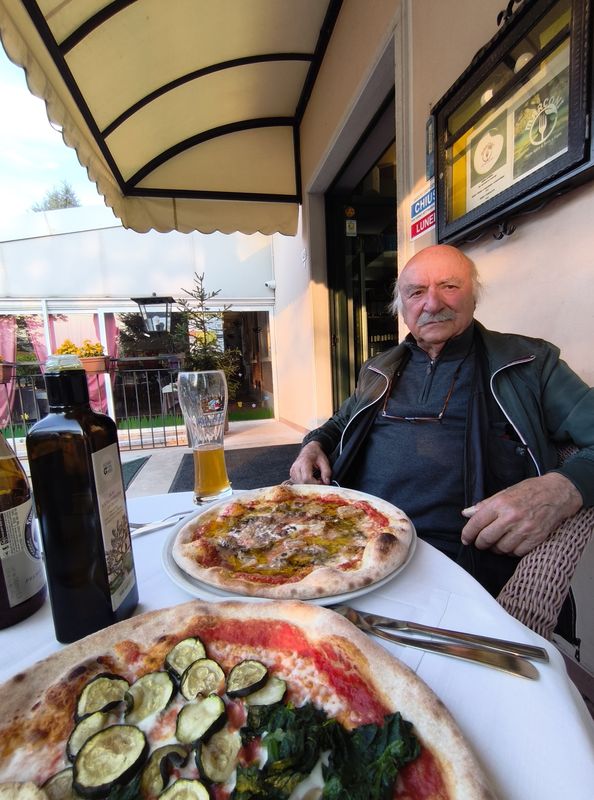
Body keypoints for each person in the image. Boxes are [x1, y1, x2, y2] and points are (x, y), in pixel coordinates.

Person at [290, 244, 594, 606]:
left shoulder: (529, 363)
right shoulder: (379, 367)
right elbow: (341, 420)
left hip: (461, 566)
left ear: (474, 297)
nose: (432, 304)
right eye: (416, 292)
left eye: (449, 286)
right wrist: (314, 444)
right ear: (402, 308)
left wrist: (561, 489)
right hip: (350, 541)